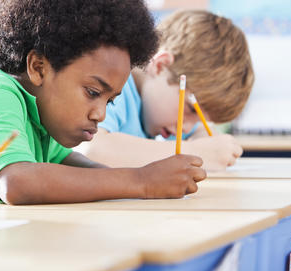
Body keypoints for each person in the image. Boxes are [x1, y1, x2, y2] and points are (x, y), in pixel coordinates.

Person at [0, 0, 206, 205]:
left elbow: (70, 164)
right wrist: (140, 182)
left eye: (110, 100)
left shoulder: (42, 116)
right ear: (38, 67)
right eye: (93, 93)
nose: (100, 114)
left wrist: (137, 180)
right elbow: (17, 183)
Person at [78, 10, 255, 171]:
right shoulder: (114, 88)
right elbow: (89, 149)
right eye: (192, 109)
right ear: (161, 66)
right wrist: (194, 152)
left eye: (198, 119)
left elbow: (201, 132)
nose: (185, 127)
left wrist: (210, 143)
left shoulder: (161, 113)